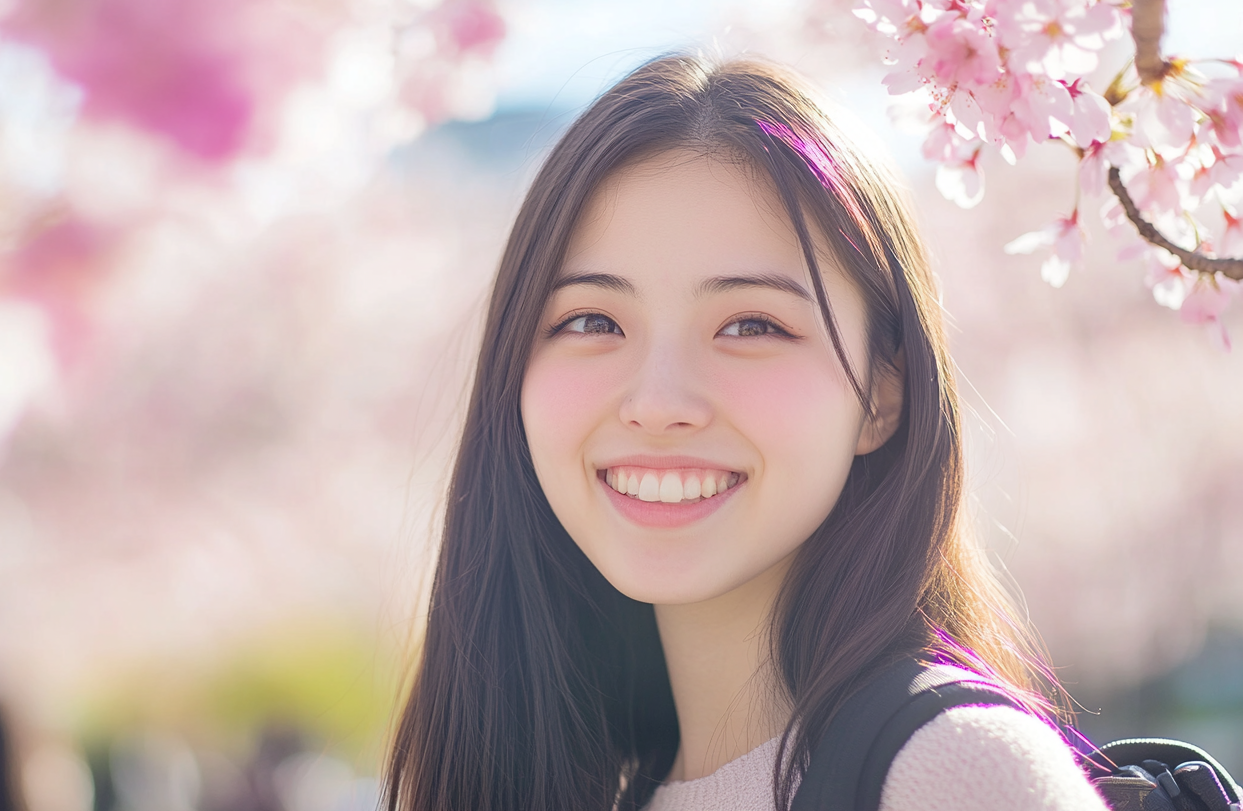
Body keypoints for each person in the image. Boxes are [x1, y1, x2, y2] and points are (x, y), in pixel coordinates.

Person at [384, 55, 1108, 811]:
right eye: (592, 321)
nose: (658, 403)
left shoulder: (955, 775)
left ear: (881, 397)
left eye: (751, 324)